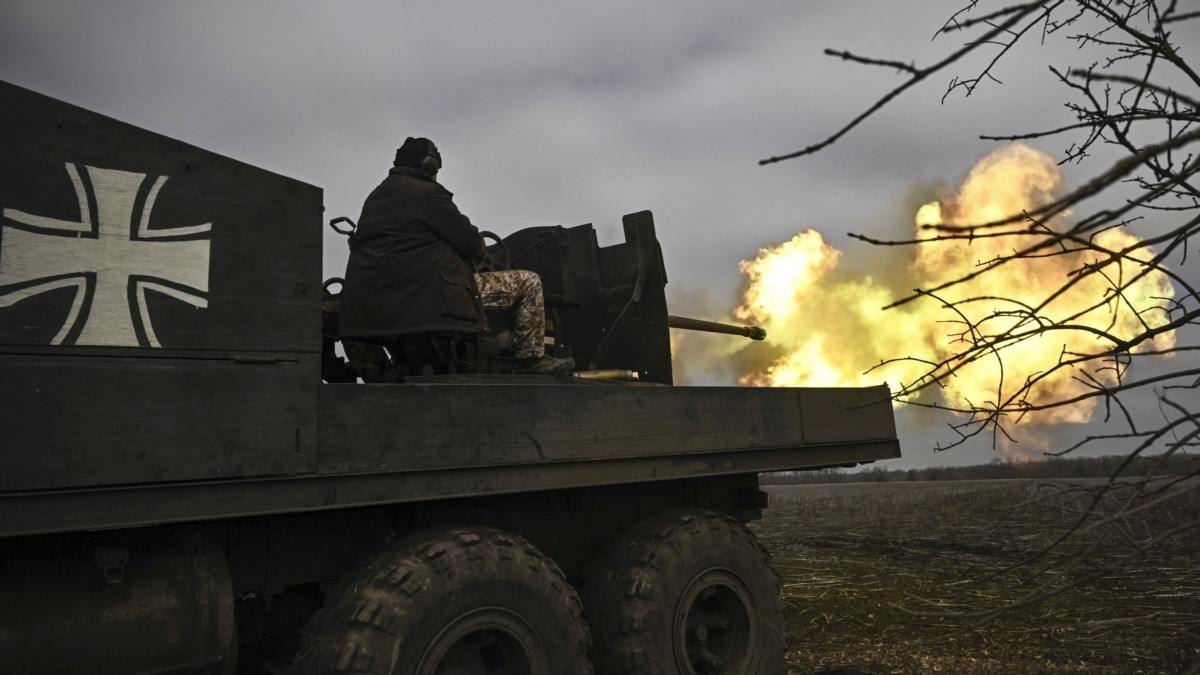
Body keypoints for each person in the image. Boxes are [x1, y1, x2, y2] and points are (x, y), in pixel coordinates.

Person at [338, 137, 574, 375]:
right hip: (432, 297)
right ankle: (529, 359)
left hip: (378, 304)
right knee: (528, 282)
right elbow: (472, 245)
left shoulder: (376, 198)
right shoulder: (428, 194)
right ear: (429, 166)